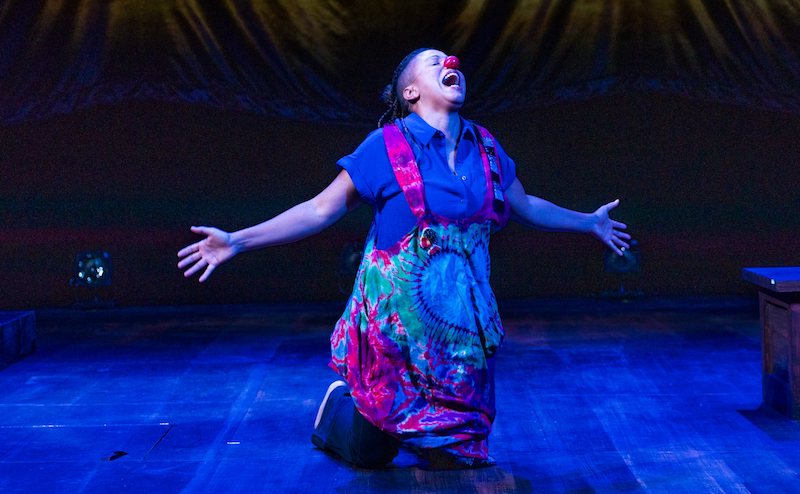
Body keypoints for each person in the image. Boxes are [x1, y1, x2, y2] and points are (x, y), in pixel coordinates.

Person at [177, 48, 630, 469]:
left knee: (456, 458)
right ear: (410, 92)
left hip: (458, 327)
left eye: (449, 59)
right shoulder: (386, 146)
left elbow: (527, 205)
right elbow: (318, 210)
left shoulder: (487, 148)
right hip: (394, 323)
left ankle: (425, 428)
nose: (449, 61)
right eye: (434, 62)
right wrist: (237, 240)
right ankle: (338, 406)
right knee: (371, 453)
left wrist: (588, 221)